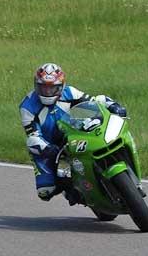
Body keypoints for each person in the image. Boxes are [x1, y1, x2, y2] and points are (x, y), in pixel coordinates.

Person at [20, 62, 127, 202]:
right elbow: (32, 136)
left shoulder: (70, 92)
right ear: (36, 85)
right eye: (44, 87)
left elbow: (94, 102)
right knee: (45, 191)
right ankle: (72, 190)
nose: (47, 92)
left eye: (52, 88)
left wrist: (112, 105)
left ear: (61, 85)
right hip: (48, 146)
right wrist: (48, 149)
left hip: (73, 133)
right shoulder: (27, 106)